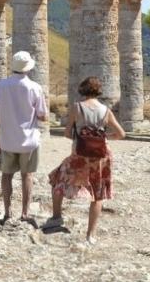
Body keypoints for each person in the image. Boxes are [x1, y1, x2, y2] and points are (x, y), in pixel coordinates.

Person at [45, 76, 125, 244]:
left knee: (58, 179)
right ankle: (90, 235)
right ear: (98, 91)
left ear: (83, 90)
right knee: (98, 194)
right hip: (101, 155)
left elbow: (67, 133)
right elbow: (121, 134)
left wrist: (81, 137)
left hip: (80, 154)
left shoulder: (77, 108)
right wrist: (103, 137)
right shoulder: (105, 110)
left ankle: (56, 217)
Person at [0, 51, 48, 227]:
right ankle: (25, 213)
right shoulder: (35, 87)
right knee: (27, 176)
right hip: (29, 141)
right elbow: (43, 116)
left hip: (7, 140)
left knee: (6, 176)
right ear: (28, 68)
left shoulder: (1, 85)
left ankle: (7, 213)